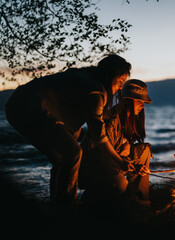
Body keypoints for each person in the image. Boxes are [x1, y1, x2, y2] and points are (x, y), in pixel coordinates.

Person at [5, 54, 132, 211]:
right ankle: (67, 210)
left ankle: (58, 206)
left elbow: (72, 113)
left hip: (21, 103)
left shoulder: (86, 77)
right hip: (26, 106)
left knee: (61, 158)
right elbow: (99, 135)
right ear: (108, 76)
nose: (120, 87)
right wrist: (119, 161)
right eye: (119, 82)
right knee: (72, 152)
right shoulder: (95, 91)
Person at [79, 79, 152, 208]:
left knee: (144, 150)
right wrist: (127, 163)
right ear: (127, 101)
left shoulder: (129, 120)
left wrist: (127, 154)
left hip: (114, 164)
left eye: (144, 102)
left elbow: (122, 151)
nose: (143, 106)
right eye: (140, 101)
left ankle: (139, 197)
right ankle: (98, 198)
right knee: (120, 184)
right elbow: (104, 157)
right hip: (94, 169)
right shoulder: (111, 120)